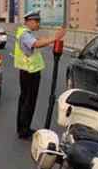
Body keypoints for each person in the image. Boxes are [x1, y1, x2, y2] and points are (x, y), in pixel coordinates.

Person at [14, 10, 66, 140]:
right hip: (30, 72)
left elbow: (36, 43)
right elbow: (35, 44)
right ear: (29, 21)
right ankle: (24, 130)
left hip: (27, 71)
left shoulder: (25, 33)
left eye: (39, 21)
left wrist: (46, 40)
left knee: (24, 100)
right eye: (36, 21)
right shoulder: (25, 34)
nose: (38, 24)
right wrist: (55, 38)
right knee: (29, 101)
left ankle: (22, 127)